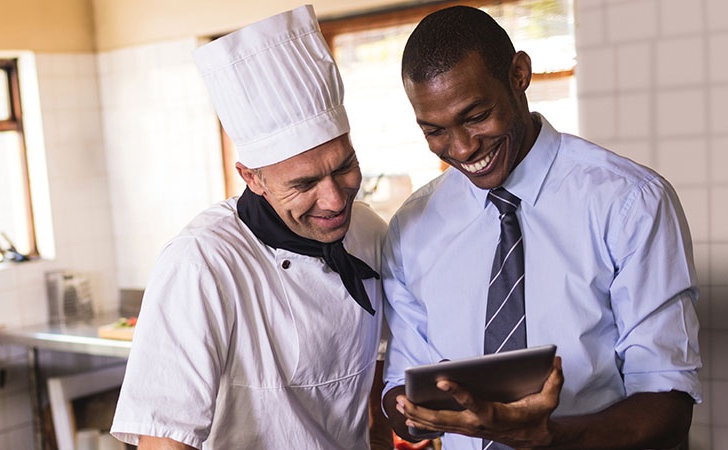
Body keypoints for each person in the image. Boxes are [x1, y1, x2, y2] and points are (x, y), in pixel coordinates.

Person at [381, 5, 701, 450]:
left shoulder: (630, 202)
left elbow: (669, 400)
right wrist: (424, 411)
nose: (461, 148)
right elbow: (401, 384)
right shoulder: (411, 228)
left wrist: (549, 439)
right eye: (434, 130)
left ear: (518, 75)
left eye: (476, 117)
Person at [110, 5, 392, 449]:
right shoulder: (202, 264)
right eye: (304, 184)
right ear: (252, 177)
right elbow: (163, 439)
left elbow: (373, 389)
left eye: (345, 167)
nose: (336, 200)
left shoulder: (369, 233)